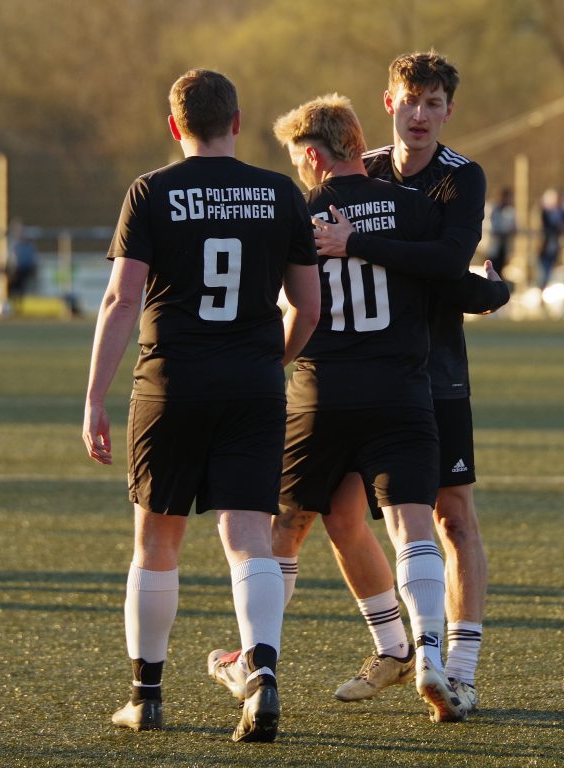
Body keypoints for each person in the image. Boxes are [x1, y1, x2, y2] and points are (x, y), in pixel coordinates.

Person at [211, 92, 490, 723]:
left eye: (298, 156)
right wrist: (494, 291)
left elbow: (281, 303)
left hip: (321, 394)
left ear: (313, 156)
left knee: (283, 528)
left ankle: (257, 664)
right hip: (402, 392)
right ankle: (426, 653)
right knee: (412, 526)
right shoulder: (413, 206)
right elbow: (447, 277)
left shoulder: (296, 209)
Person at [82, 69, 320, 742]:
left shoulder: (151, 191)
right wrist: (272, 360)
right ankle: (263, 671)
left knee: (158, 540)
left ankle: (146, 697)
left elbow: (121, 299)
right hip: (252, 385)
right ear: (237, 122)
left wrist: (95, 396)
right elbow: (308, 306)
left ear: (174, 126)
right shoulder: (280, 193)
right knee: (249, 537)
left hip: (171, 384)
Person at [297, 51, 504, 714]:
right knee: (339, 514)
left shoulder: (460, 177)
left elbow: (445, 262)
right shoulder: (363, 170)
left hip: (435, 370)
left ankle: (460, 670)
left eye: (433, 103)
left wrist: (359, 243)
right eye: (409, 101)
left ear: (448, 110)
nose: (420, 114)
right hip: (358, 375)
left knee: (452, 516)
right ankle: (395, 647)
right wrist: (487, 292)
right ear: (387, 103)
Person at [536, 188, 564, 292]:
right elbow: (542, 228)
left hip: (554, 248)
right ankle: (541, 294)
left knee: (550, 274)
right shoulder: (542, 213)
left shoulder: (562, 214)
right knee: (542, 274)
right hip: (542, 249)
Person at [7, 218, 37, 310]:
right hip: (15, 269)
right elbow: (11, 258)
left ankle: (19, 306)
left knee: (21, 286)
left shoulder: (28, 243)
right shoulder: (13, 243)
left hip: (24, 269)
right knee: (11, 286)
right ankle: (13, 305)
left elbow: (31, 258)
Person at [488, 187, 515, 277]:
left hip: (504, 246)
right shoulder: (494, 210)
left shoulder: (510, 211)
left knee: (501, 268)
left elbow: (513, 226)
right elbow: (494, 226)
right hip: (495, 246)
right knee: (493, 268)